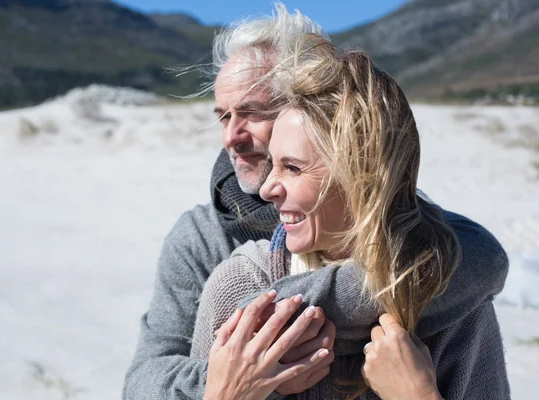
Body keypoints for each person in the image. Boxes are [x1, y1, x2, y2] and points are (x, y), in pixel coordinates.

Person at [122, 4, 509, 399]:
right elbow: (143, 383)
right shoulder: (208, 245)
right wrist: (233, 379)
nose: (231, 136)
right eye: (223, 116)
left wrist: (299, 308)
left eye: (253, 112)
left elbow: (482, 257)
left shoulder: (428, 249)